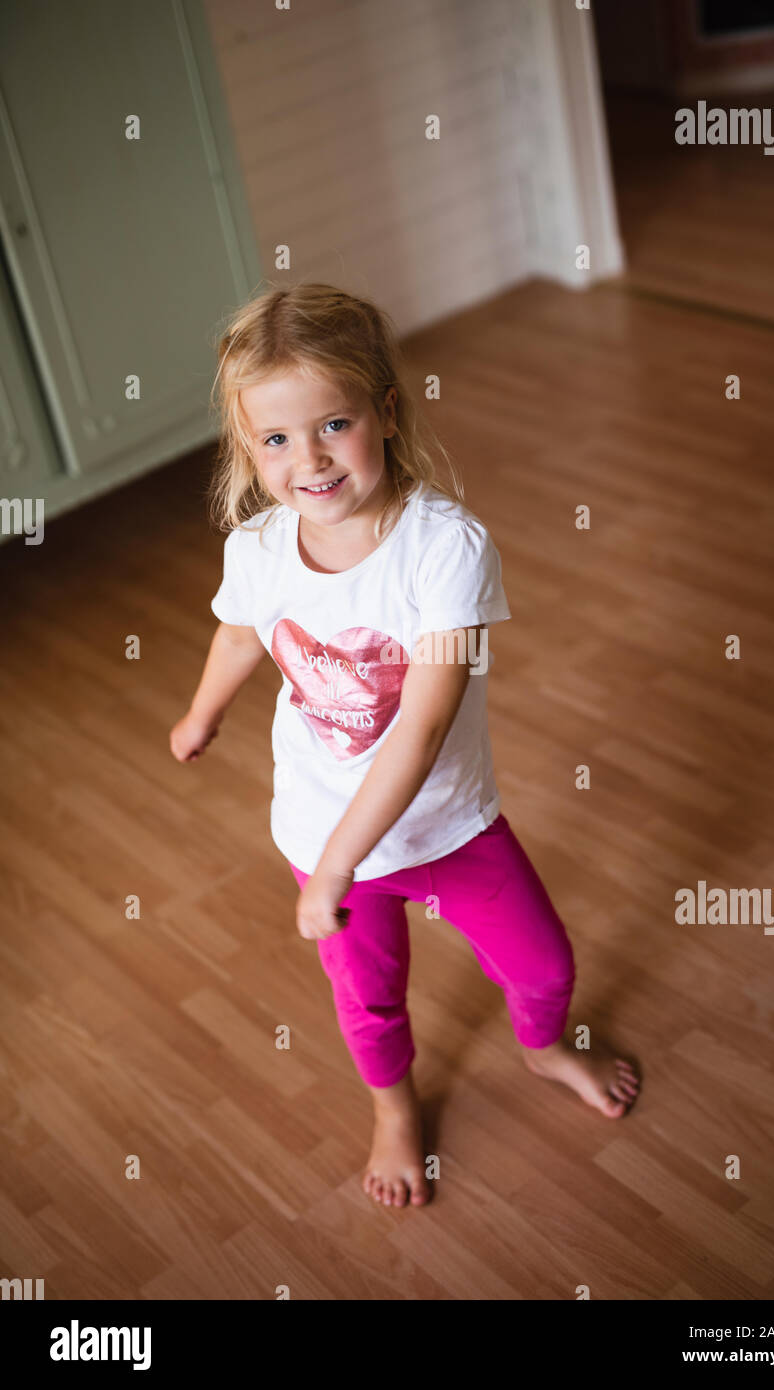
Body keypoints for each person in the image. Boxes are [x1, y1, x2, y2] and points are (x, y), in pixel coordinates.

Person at [170, 284, 641, 1210]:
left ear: (386, 411)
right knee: (367, 999)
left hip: (448, 824)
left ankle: (543, 1050)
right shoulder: (260, 549)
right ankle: (392, 1109)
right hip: (321, 833)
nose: (307, 459)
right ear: (246, 448)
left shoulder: (446, 551)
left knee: (543, 964)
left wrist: (339, 869)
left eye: (332, 423)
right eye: (274, 439)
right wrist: (203, 714)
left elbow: (422, 728)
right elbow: (239, 633)